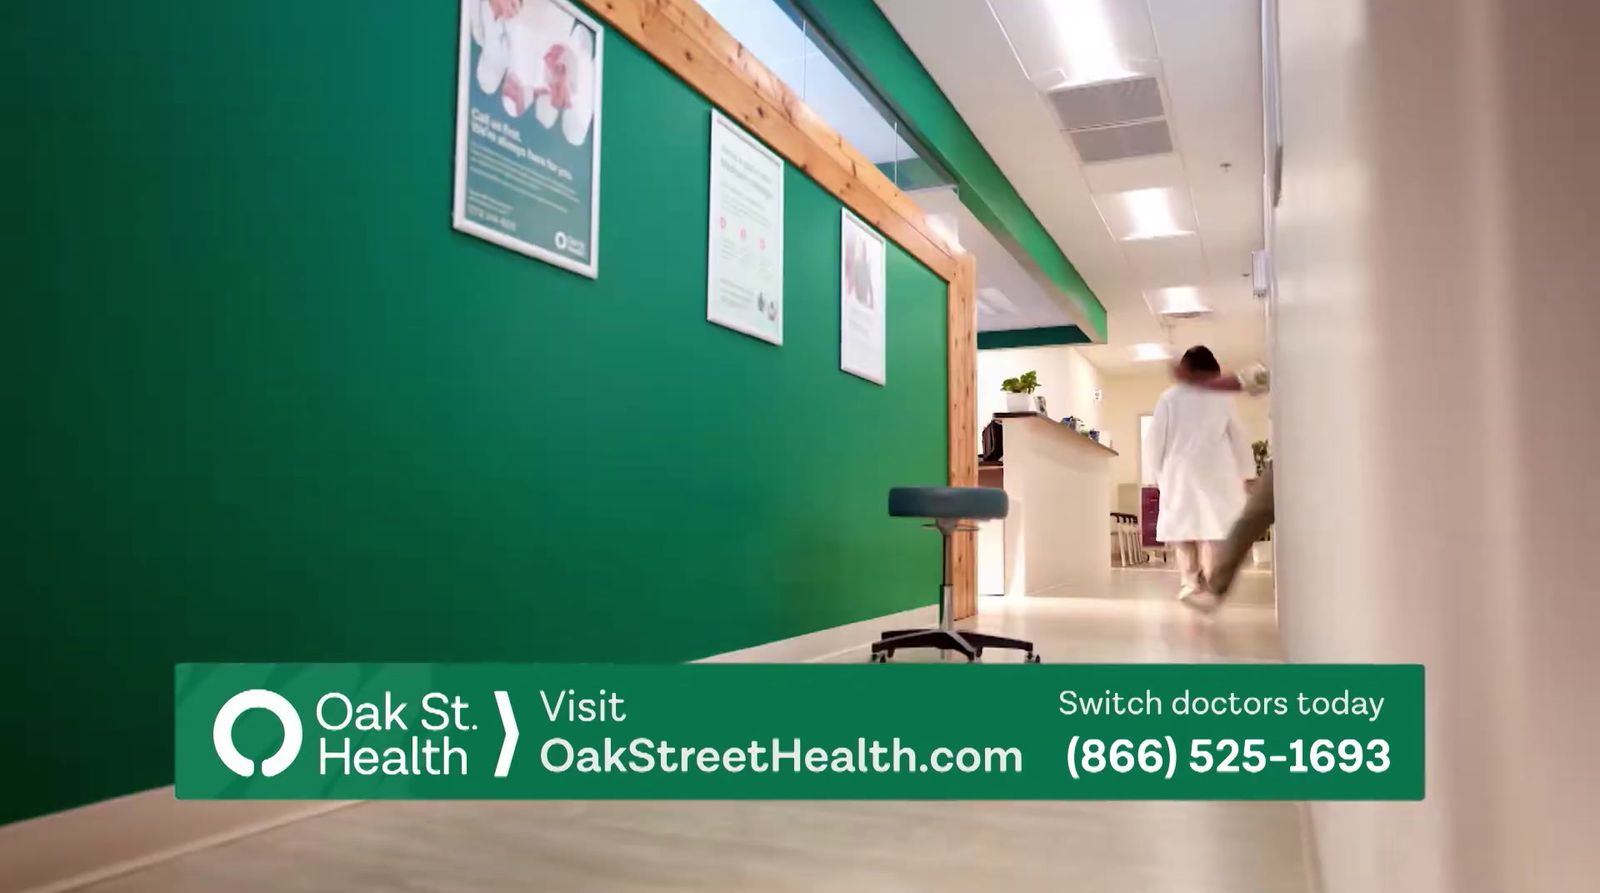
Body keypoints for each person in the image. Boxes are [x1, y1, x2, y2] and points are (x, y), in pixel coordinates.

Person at [1143, 346, 1256, 610]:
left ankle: (1190, 581)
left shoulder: (1169, 398)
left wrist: (1155, 472)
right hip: (1215, 470)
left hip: (1178, 470)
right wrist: (1246, 473)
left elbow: (1154, 439)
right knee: (1210, 529)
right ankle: (1211, 582)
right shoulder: (1222, 398)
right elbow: (1238, 436)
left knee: (1183, 530)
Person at [1173, 361, 1272, 603]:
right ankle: (1212, 587)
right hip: (1283, 460)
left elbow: (1237, 436)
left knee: (1237, 524)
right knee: (1248, 521)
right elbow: (1246, 379)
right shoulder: (1282, 365)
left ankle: (1211, 585)